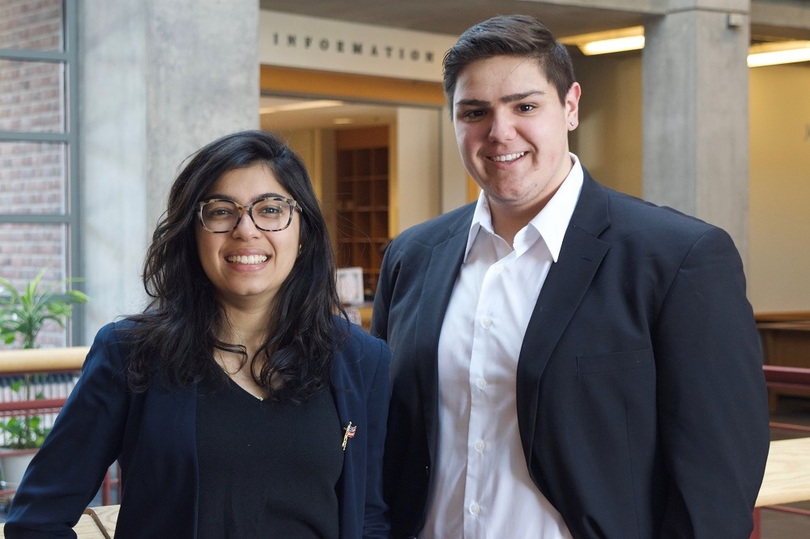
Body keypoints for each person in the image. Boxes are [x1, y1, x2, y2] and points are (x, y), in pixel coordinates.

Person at [371, 14, 769, 539]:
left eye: (525, 106)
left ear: (571, 106)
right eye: (475, 112)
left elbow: (715, 487)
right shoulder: (412, 256)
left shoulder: (677, 258)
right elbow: (385, 441)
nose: (499, 132)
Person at [5, 130, 391, 538]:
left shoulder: (361, 361)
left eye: (271, 209)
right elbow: (36, 520)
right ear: (193, 232)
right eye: (222, 211)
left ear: (304, 232)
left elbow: (370, 519)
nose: (246, 229)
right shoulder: (129, 353)